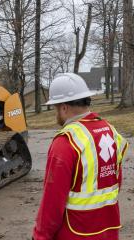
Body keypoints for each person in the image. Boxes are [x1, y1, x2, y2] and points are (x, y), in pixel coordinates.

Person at [32, 73, 129, 240]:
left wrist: (40, 236)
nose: (56, 113)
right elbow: (116, 181)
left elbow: (52, 202)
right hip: (109, 228)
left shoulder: (66, 142)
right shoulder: (111, 131)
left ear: (63, 108)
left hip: (76, 231)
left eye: (55, 107)